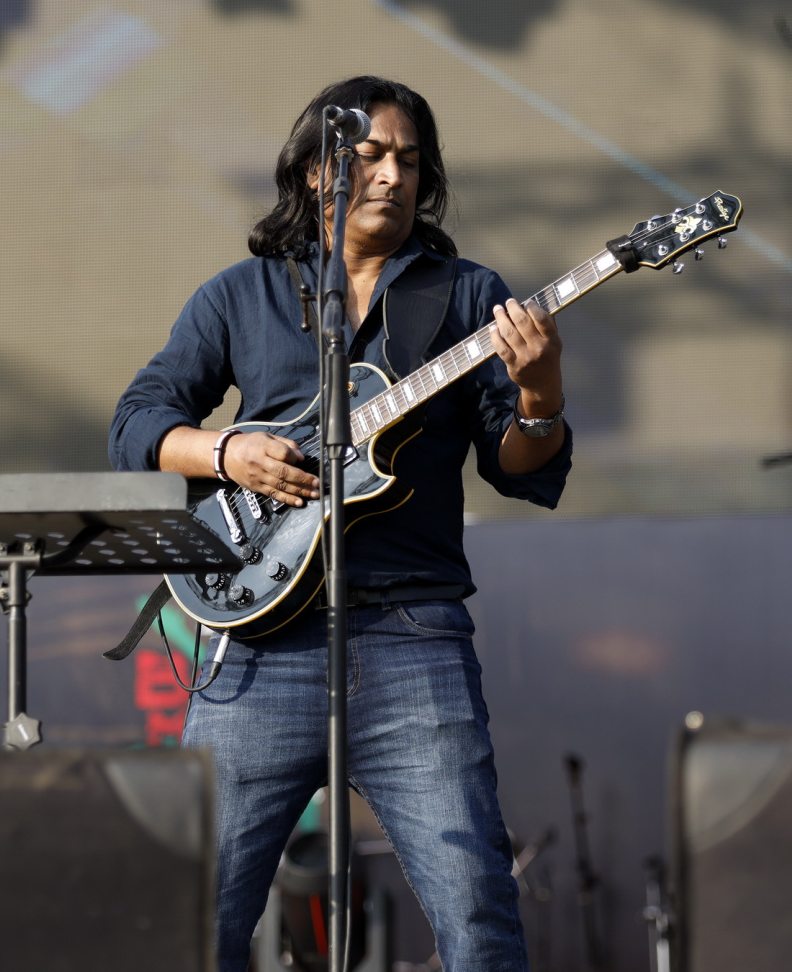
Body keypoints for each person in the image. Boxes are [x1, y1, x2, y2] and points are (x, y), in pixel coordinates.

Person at [109, 75, 571, 972]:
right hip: (256, 646)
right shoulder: (240, 295)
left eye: (410, 161)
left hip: (412, 635)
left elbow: (517, 466)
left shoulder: (468, 295)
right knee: (192, 921)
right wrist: (227, 453)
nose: (393, 175)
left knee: (478, 919)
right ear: (319, 170)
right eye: (372, 155)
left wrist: (541, 394)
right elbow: (137, 426)